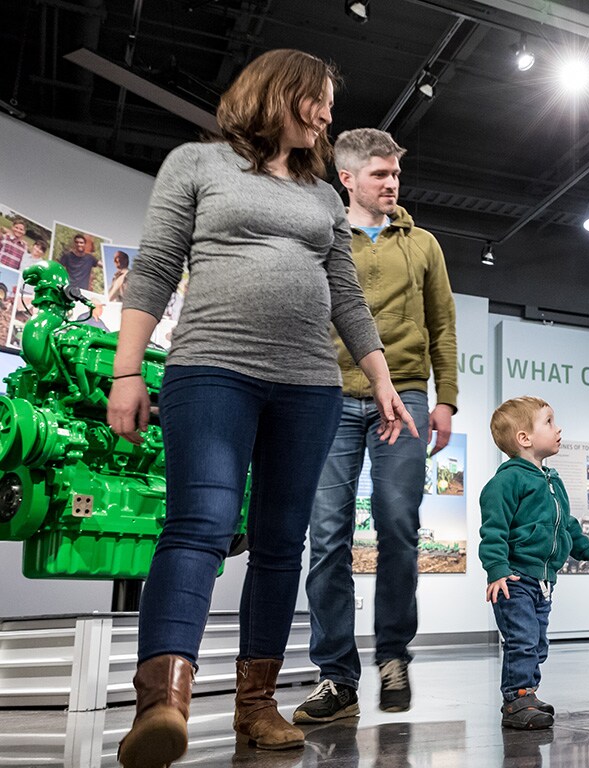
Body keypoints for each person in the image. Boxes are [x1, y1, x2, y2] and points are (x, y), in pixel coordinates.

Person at [108, 48, 418, 768]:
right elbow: (154, 266)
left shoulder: (320, 196)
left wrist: (380, 379)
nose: (328, 115)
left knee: (282, 545)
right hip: (213, 369)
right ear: (281, 92)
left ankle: (256, 705)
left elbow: (345, 292)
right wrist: (128, 370)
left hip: (309, 386)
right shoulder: (196, 165)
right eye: (321, 101)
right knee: (202, 524)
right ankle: (164, 701)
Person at [292, 128, 459, 724]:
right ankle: (336, 676)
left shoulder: (424, 245)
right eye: (380, 175)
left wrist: (446, 402)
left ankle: (393, 655)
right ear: (348, 178)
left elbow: (443, 325)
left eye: (395, 174)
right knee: (327, 536)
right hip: (328, 397)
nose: (392, 184)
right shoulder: (320, 236)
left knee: (398, 524)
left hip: (408, 396)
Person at [479, 396, 589, 730]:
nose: (558, 428)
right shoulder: (506, 482)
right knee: (522, 639)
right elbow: (493, 531)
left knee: (537, 642)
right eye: (550, 422)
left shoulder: (552, 481)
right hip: (515, 579)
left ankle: (529, 692)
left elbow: (567, 525)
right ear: (525, 438)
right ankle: (516, 700)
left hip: (543, 580)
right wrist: (497, 571)